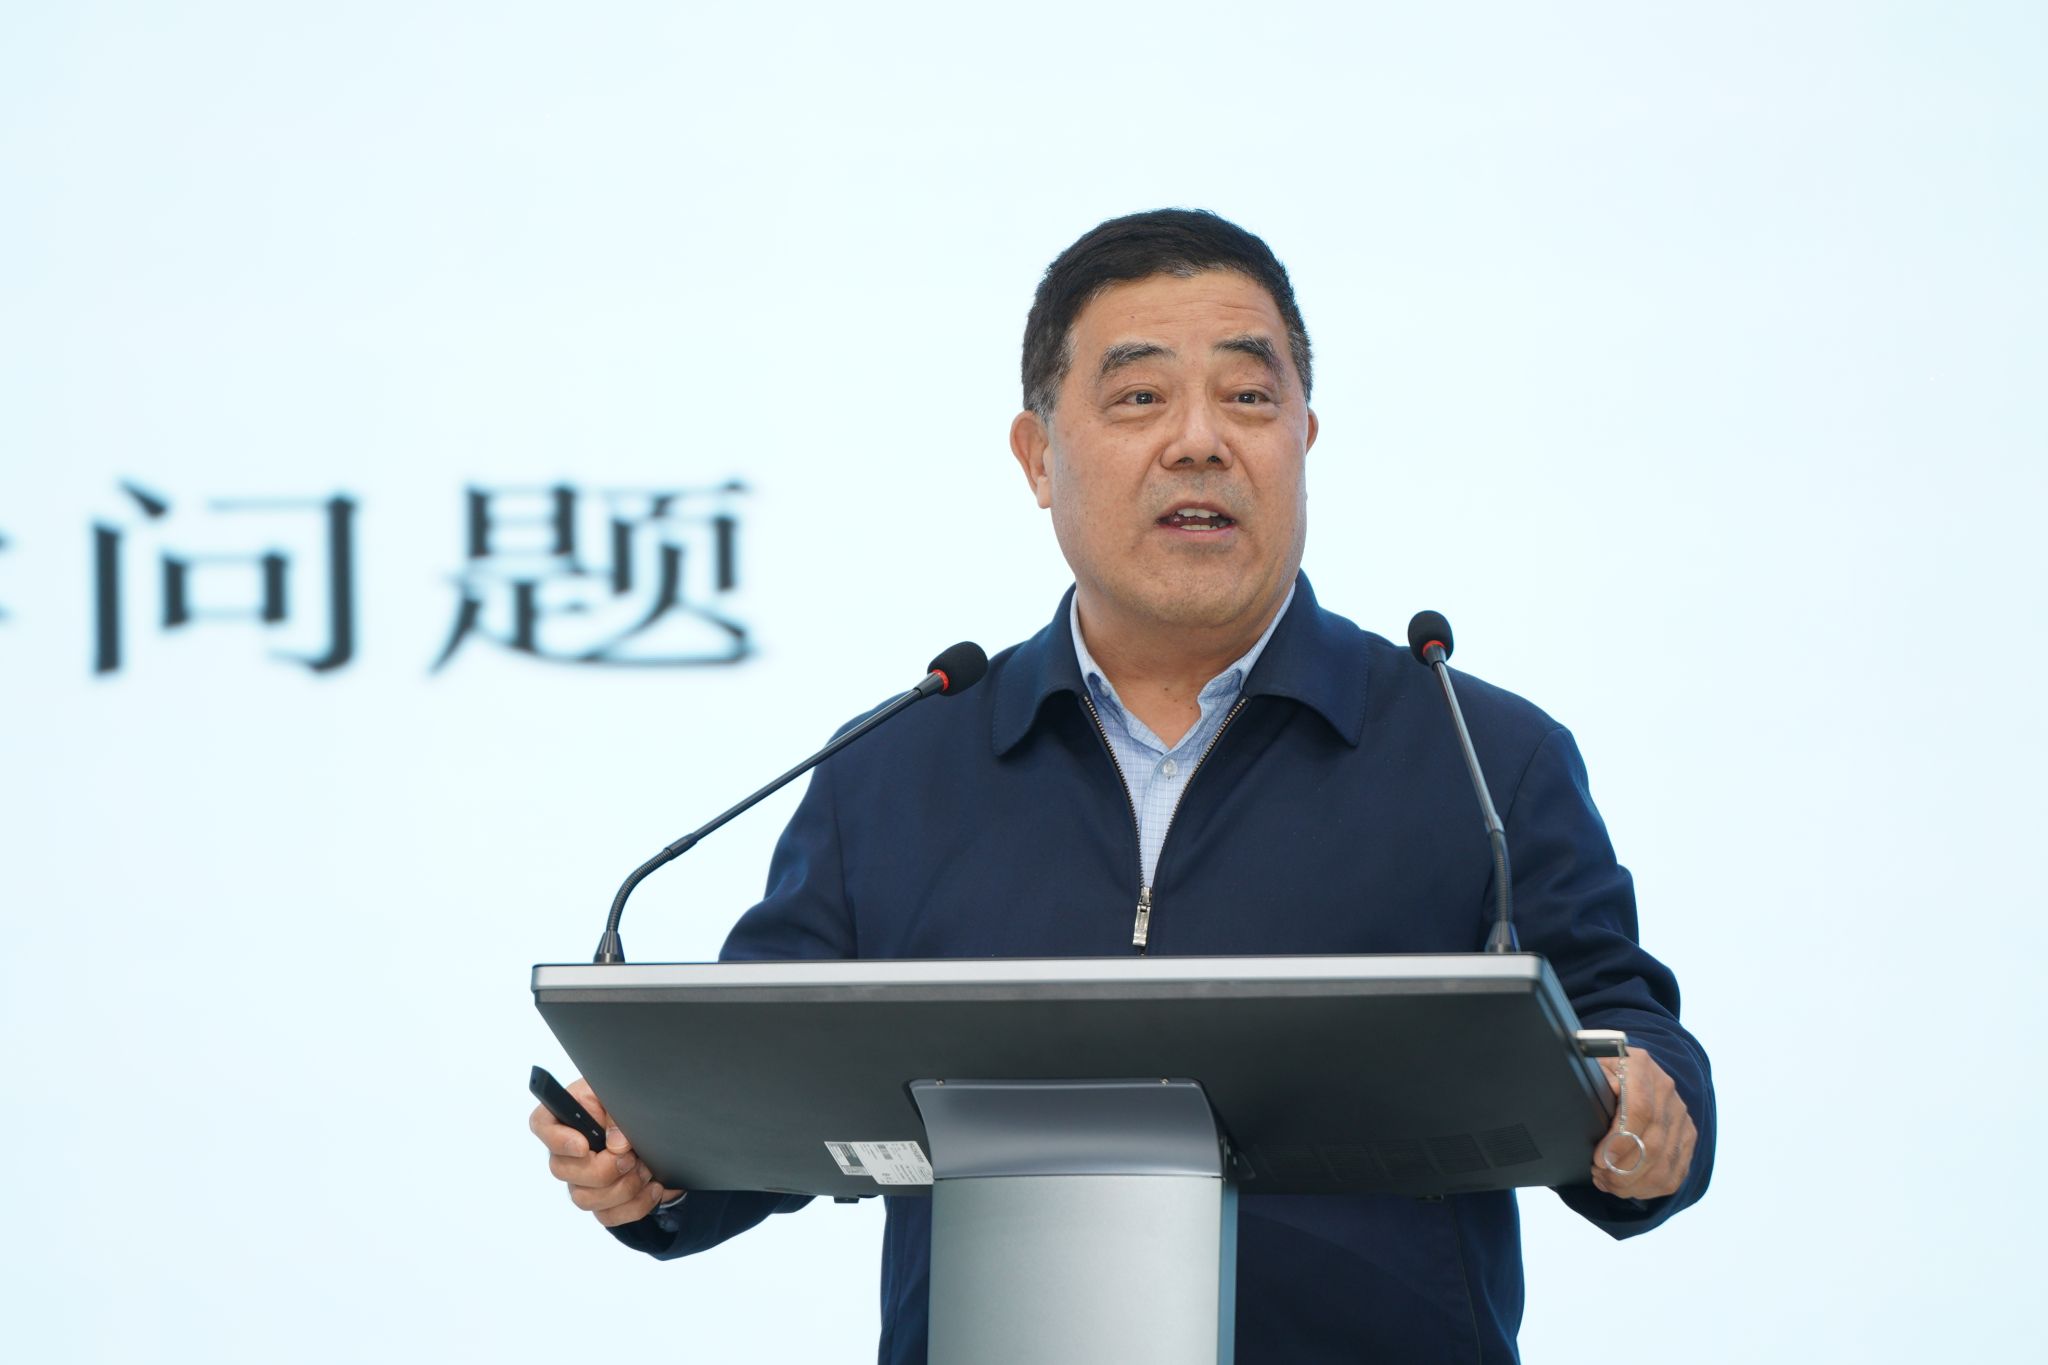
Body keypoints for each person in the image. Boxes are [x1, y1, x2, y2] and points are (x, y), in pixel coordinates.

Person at [529, 209, 1715, 1363]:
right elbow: (757, 1083)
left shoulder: (1477, 752)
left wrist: (1647, 1108)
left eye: (1248, 397)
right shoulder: (891, 771)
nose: (1199, 441)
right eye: (1140, 397)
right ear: (1036, 456)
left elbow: (1626, 1030)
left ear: (1303, 438)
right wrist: (647, 1152)